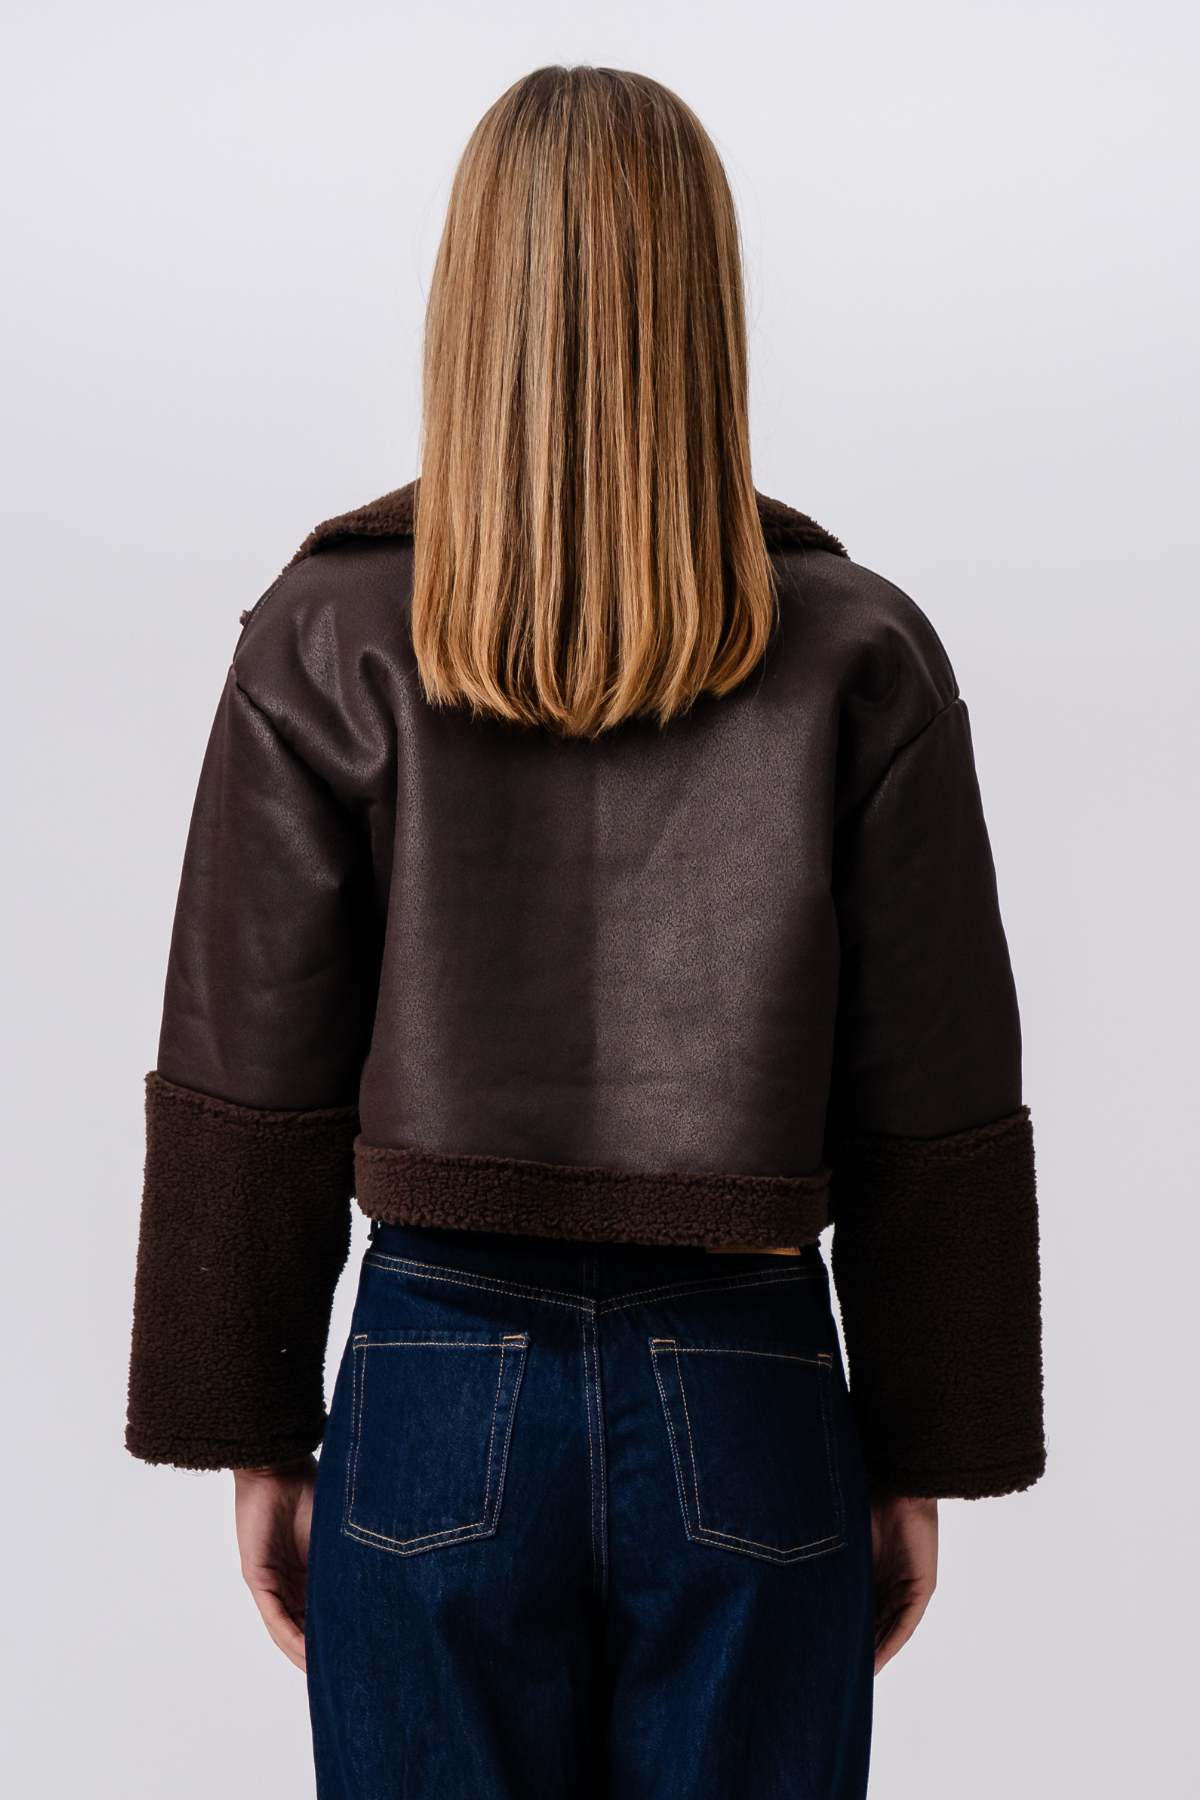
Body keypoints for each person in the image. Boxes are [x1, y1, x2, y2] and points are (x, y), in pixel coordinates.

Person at [126, 64, 1044, 1800]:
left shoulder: (322, 635)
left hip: (432, 1384)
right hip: (753, 1388)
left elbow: (251, 1062)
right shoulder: (865, 652)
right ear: (708, 304)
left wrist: (250, 1429)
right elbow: (932, 1095)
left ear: (467, 298)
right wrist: (923, 1446)